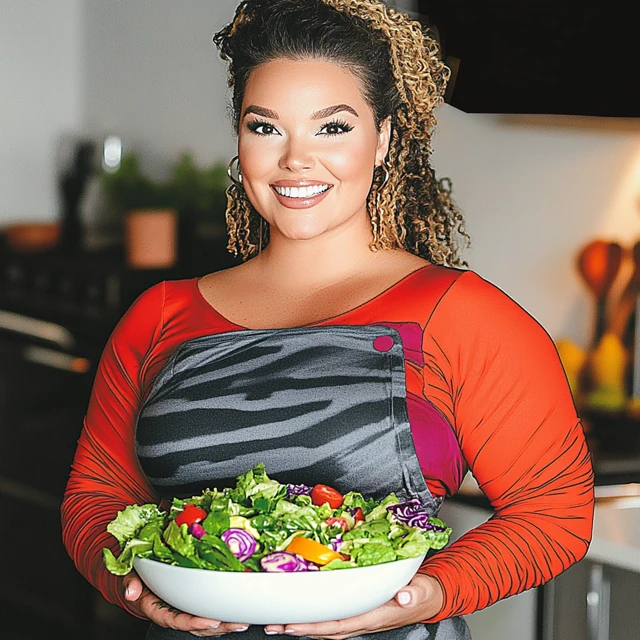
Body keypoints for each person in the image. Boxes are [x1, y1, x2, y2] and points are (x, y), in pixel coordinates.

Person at [61, 1, 595, 639]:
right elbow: (96, 498)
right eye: (266, 128)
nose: (295, 159)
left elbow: (554, 515)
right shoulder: (160, 315)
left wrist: (426, 593)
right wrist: (133, 589)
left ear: (384, 138)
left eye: (332, 128)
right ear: (239, 137)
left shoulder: (464, 316)